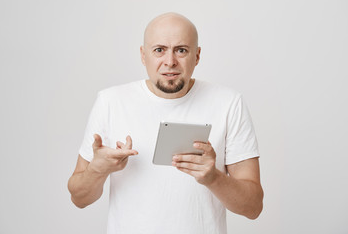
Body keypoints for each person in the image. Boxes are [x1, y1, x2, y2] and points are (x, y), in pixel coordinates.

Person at [68, 12, 263, 234]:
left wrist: (214, 178)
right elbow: (79, 198)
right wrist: (97, 171)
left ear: (197, 56)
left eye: (181, 50)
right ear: (143, 55)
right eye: (159, 50)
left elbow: (253, 207)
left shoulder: (229, 103)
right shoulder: (111, 101)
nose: (170, 62)